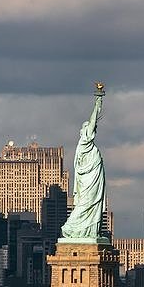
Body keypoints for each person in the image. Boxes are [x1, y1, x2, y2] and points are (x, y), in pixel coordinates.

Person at [60, 85, 106, 241]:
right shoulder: (84, 142)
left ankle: (90, 230)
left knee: (93, 203)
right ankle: (72, 228)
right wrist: (97, 103)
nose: (92, 129)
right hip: (88, 179)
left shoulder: (86, 146)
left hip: (94, 175)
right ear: (84, 132)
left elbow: (93, 124)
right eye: (88, 128)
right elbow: (93, 122)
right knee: (85, 204)